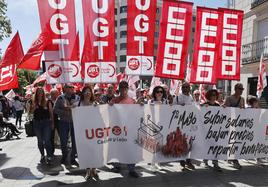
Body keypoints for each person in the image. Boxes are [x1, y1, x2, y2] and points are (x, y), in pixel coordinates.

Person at [109, 81, 140, 178]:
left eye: (125, 87)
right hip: (117, 129)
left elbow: (137, 114)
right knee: (118, 148)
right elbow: (108, 112)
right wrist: (107, 107)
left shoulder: (132, 101)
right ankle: (117, 166)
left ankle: (131, 169)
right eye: (121, 87)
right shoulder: (114, 100)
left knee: (130, 148)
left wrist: (141, 106)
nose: (123, 89)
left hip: (129, 130)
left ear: (127, 88)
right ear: (119, 89)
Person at [54, 84, 80, 166]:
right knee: (63, 141)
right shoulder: (60, 98)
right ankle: (64, 156)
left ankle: (73, 158)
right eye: (69, 87)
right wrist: (64, 112)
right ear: (65, 88)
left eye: (72, 87)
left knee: (75, 141)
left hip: (75, 122)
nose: (71, 89)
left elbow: (82, 108)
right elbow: (55, 109)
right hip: (63, 122)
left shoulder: (78, 98)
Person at [173, 82, 195, 170]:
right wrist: (179, 106)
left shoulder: (191, 97)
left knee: (189, 143)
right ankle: (182, 160)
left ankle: (188, 161)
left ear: (189, 88)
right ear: (182, 88)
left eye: (187, 87)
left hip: (189, 123)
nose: (185, 88)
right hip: (180, 123)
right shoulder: (177, 97)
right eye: (184, 87)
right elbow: (172, 108)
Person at [78, 86, 99, 180]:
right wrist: (72, 108)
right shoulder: (78, 104)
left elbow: (100, 115)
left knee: (94, 151)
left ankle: (94, 169)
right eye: (85, 92)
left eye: (89, 92)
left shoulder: (95, 104)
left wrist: (97, 108)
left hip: (93, 132)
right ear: (83, 93)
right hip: (82, 132)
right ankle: (88, 171)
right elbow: (72, 113)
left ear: (91, 94)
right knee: (85, 151)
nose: (87, 93)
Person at [224, 83, 245, 169]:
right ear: (235, 89)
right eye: (239, 89)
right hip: (230, 123)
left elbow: (243, 109)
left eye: (242, 89)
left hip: (238, 123)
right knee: (230, 141)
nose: (241, 91)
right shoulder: (229, 98)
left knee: (236, 141)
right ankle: (232, 158)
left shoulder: (242, 99)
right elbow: (227, 109)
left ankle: (233, 158)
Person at [30, 87, 54, 165]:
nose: (40, 93)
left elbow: (51, 113)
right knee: (40, 141)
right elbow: (30, 112)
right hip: (37, 123)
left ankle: (49, 156)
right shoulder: (33, 102)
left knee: (47, 140)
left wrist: (52, 123)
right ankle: (42, 155)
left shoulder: (48, 102)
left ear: (43, 93)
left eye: (41, 92)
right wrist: (33, 107)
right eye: (38, 92)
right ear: (36, 94)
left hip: (46, 123)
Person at [201, 89, 222, 172]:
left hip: (215, 130)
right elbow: (198, 111)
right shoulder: (205, 104)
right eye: (212, 95)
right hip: (206, 130)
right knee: (207, 145)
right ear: (209, 96)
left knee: (215, 146)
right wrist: (202, 107)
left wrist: (223, 108)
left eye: (214, 95)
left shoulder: (217, 106)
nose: (213, 96)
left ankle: (215, 163)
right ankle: (205, 161)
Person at [48, 89, 60, 156]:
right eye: (55, 94)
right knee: (51, 137)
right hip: (52, 121)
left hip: (59, 121)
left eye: (57, 94)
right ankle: (51, 151)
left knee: (61, 135)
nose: (56, 95)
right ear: (52, 94)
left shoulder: (60, 100)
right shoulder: (49, 101)